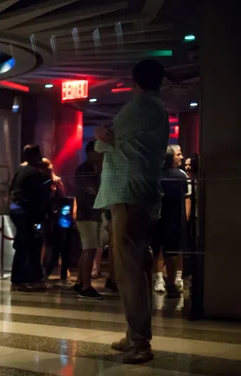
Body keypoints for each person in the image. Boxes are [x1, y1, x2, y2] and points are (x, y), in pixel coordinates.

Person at [94, 59, 170, 364]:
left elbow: (102, 143)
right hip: (142, 193)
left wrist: (101, 132)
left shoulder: (139, 106)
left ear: (134, 81)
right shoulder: (156, 107)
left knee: (130, 270)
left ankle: (140, 342)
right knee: (136, 267)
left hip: (129, 193)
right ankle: (134, 333)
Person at [9, 145, 52, 291]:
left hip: (18, 212)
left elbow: (12, 188)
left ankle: (24, 279)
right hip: (29, 214)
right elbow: (44, 194)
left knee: (24, 245)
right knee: (29, 246)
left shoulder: (20, 169)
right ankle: (22, 280)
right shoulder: (36, 173)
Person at [151, 145, 191, 298]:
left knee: (157, 250)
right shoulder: (181, 175)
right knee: (172, 251)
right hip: (174, 217)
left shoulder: (154, 175)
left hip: (157, 217)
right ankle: (172, 282)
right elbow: (186, 195)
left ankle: (159, 279)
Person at [73, 141, 104, 300]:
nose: (103, 155)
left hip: (93, 215)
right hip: (87, 215)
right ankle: (85, 286)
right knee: (90, 249)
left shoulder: (92, 169)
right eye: (100, 152)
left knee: (89, 249)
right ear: (92, 153)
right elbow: (94, 190)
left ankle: (80, 282)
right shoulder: (85, 170)